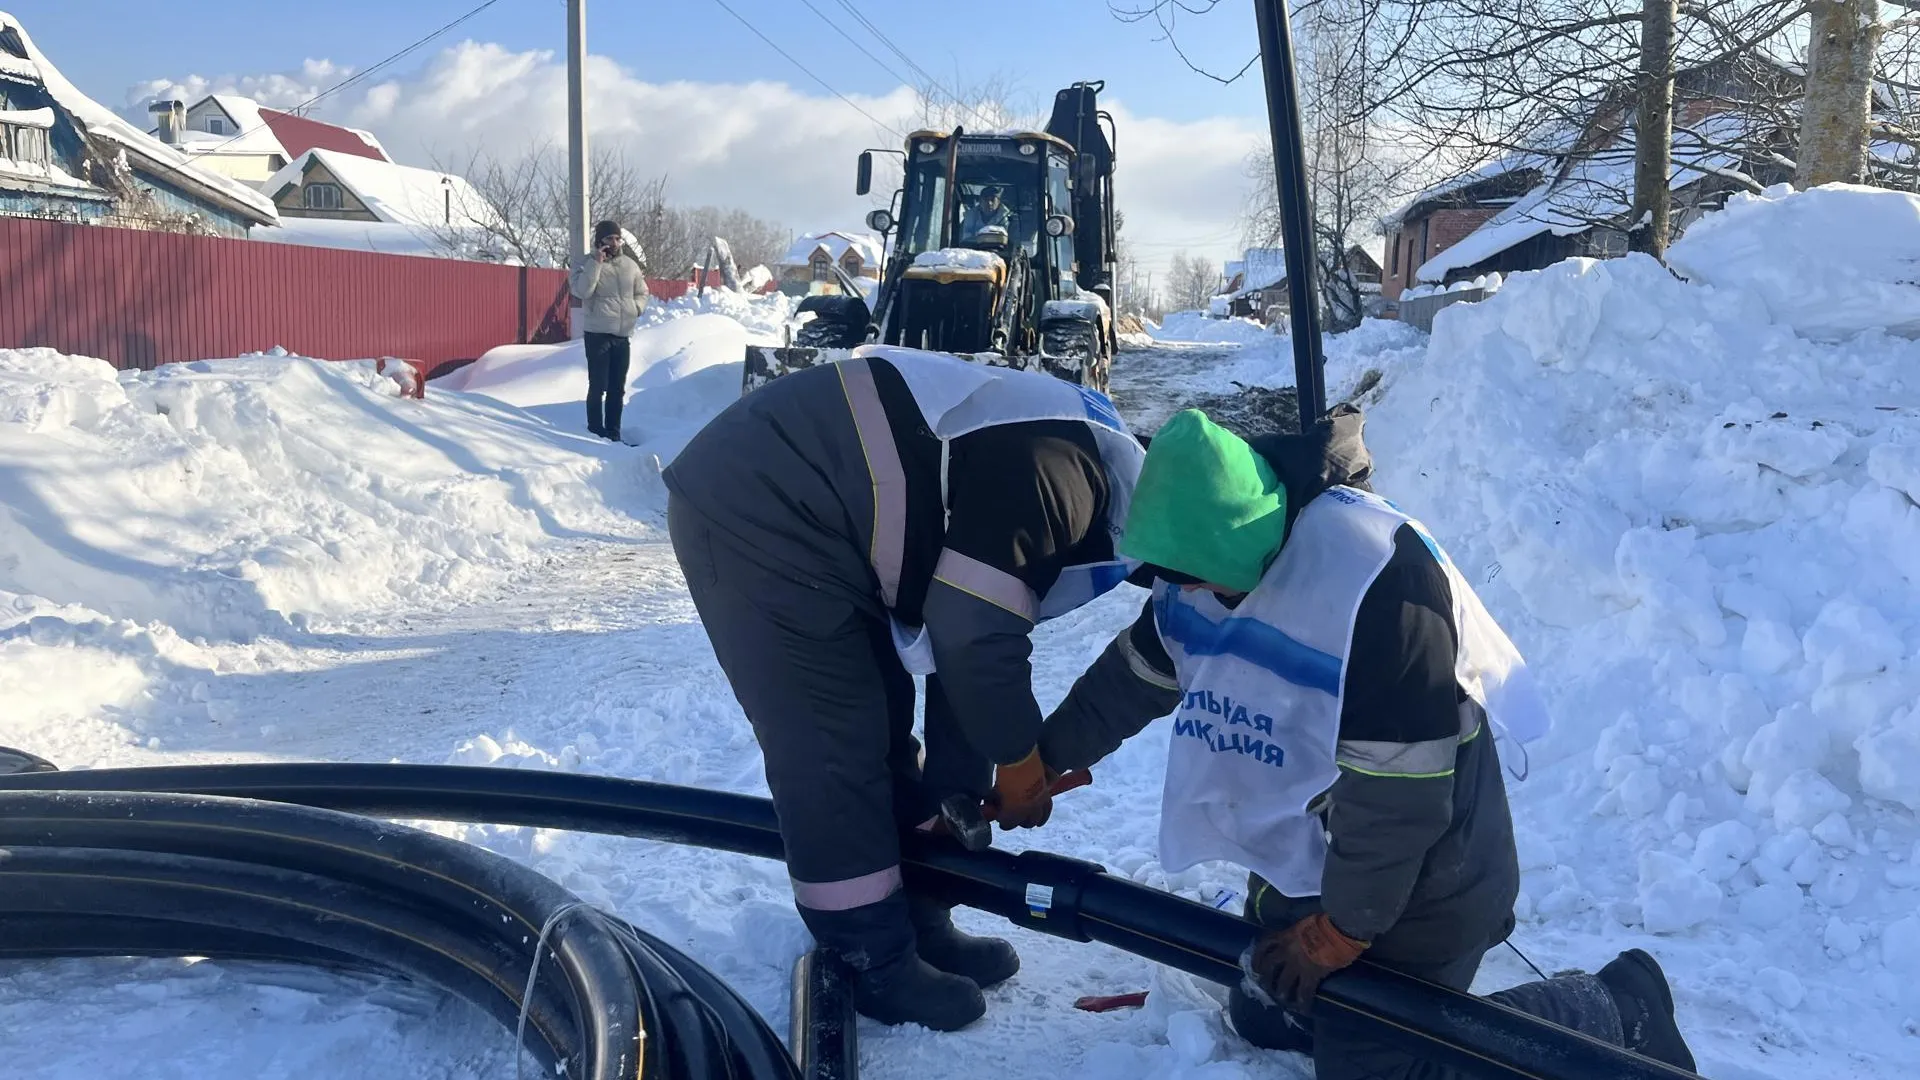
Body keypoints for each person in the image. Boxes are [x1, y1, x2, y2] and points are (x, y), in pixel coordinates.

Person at [1034, 406, 1698, 1079]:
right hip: (1315, 857)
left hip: (1426, 883)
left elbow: (1397, 804)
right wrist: (1042, 759)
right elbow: (1134, 676)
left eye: (1194, 574)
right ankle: (1341, 993)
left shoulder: (1377, 585)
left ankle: (1616, 1005)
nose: (1183, 590)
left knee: (1376, 1068)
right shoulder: (1199, 569)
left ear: (1239, 544)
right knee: (1264, 1007)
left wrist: (1338, 934)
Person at [663, 347, 1145, 1032]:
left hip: (823, 513)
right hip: (762, 505)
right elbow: (973, 636)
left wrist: (965, 791)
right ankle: (871, 959)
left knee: (883, 731)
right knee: (834, 745)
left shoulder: (1081, 467)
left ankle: (917, 919)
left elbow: (966, 658)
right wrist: (1017, 757)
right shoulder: (1063, 478)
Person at [568, 220, 649, 440]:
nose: (614, 242)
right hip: (598, 334)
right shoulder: (585, 263)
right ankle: (595, 431)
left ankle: (614, 432)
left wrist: (636, 308)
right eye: (609, 238)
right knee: (598, 386)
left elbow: (642, 292)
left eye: (617, 238)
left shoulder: (630, 265)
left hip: (622, 335)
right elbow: (582, 291)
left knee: (617, 388)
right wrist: (596, 263)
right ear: (599, 241)